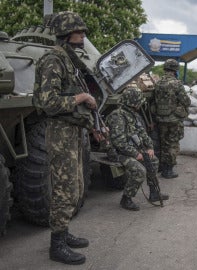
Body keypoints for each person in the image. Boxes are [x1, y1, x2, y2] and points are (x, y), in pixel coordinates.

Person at [32, 11, 97, 265]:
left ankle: (64, 230)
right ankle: (56, 243)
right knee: (64, 189)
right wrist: (81, 98)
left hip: (72, 130)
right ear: (66, 34)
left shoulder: (68, 59)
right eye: (79, 31)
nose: (83, 35)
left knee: (75, 187)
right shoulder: (53, 60)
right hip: (59, 132)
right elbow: (48, 102)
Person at [106, 87, 169, 210]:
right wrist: (135, 154)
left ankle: (154, 193)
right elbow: (118, 142)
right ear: (133, 102)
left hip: (131, 150)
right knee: (139, 170)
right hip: (119, 152)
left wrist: (150, 147)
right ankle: (126, 199)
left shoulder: (132, 115)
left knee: (154, 160)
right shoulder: (117, 116)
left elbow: (143, 133)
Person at [153, 59, 191, 178]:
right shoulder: (177, 84)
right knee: (172, 144)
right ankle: (168, 170)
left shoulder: (158, 83)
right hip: (174, 120)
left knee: (163, 143)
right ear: (175, 70)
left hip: (160, 118)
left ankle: (160, 167)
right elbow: (186, 101)